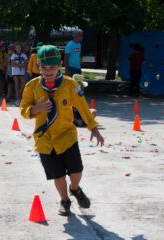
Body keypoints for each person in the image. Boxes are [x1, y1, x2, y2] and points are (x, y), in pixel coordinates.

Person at [20, 45, 104, 216]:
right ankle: (64, 201)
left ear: (59, 65)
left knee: (76, 171)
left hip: (67, 136)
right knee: (58, 176)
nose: (48, 71)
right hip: (45, 140)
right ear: (38, 66)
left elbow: (83, 107)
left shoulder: (70, 85)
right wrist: (37, 108)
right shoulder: (32, 86)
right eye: (44, 67)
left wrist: (93, 128)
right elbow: (24, 110)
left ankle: (75, 189)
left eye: (52, 67)